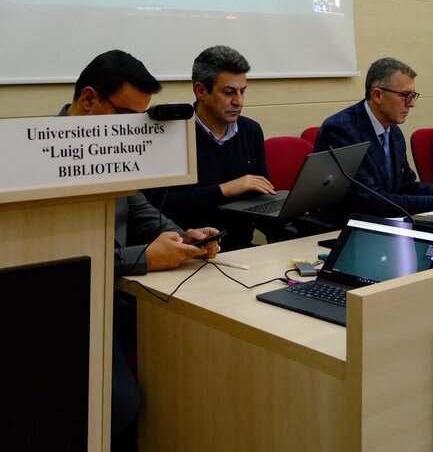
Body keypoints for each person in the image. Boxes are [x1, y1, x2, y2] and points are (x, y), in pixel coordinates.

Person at [61, 50, 221, 447]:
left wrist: (183, 238)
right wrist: (143, 258)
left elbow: (140, 209)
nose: (134, 129)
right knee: (120, 404)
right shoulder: (47, 153)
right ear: (89, 99)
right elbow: (62, 259)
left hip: (122, 290)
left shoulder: (111, 146)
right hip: (76, 302)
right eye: (127, 116)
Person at [313, 57, 433, 224]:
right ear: (378, 95)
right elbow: (368, 200)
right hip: (344, 228)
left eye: (413, 95)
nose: (412, 103)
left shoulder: (394, 131)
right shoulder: (341, 129)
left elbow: (406, 187)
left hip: (386, 223)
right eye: (404, 95)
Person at [146, 45, 274, 250]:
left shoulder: (251, 130)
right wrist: (224, 190)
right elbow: (162, 206)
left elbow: (261, 193)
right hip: (190, 250)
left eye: (242, 92)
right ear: (201, 91)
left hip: (242, 248)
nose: (239, 101)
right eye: (228, 92)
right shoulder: (170, 135)